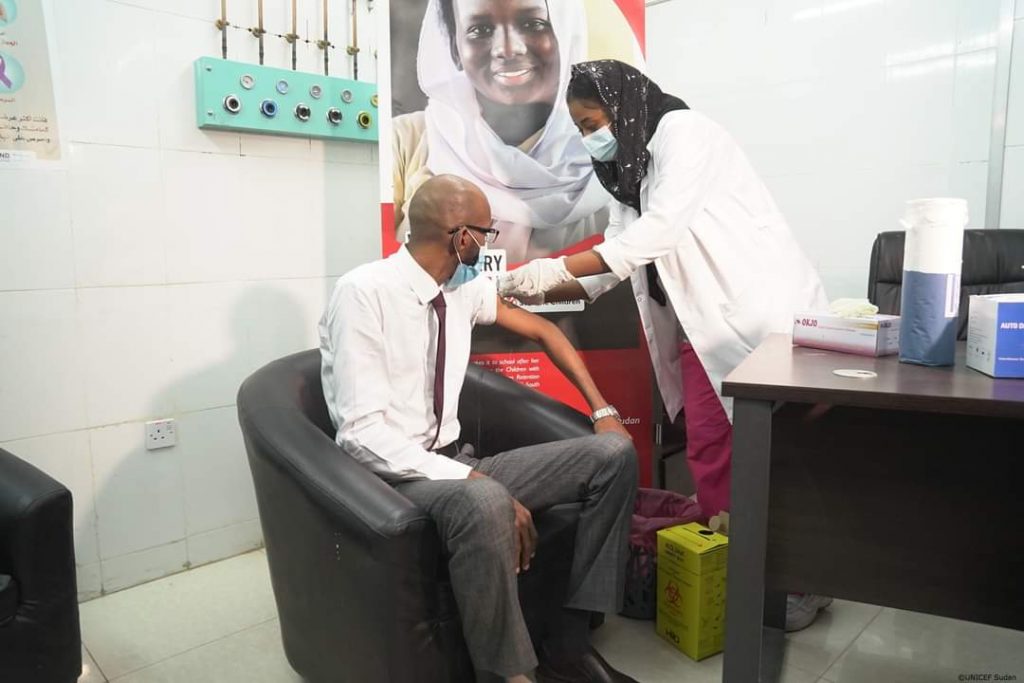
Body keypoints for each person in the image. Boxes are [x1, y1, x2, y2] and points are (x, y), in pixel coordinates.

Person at [498, 60, 833, 632]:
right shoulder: (627, 175)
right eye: (579, 130)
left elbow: (655, 235)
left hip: (755, 319)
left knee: (771, 456)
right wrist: (522, 285)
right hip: (701, 327)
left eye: (592, 123)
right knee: (712, 449)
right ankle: (743, 575)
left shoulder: (685, 134)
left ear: (622, 105)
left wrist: (545, 271)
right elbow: (614, 262)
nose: (590, 138)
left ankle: (797, 584)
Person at [319, 174, 640, 682]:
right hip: (394, 479)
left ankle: (569, 640)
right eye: (487, 232)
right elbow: (361, 435)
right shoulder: (363, 293)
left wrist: (602, 411)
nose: (490, 243)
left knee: (614, 456)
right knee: (486, 498)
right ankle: (509, 675)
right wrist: (474, 479)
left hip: (455, 461)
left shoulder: (462, 289)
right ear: (461, 236)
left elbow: (543, 330)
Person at [392, 0, 612, 264]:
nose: (508, 49)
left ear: (566, 33)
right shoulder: (406, 140)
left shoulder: (604, 154)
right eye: (480, 30)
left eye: (533, 24)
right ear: (454, 46)